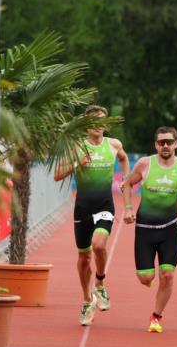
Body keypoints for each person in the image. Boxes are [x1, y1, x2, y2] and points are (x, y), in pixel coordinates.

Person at [54, 105, 129, 326]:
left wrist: (125, 177)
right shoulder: (77, 146)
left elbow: (124, 159)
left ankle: (100, 284)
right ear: (86, 125)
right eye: (93, 121)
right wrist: (78, 162)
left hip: (105, 205)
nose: (97, 125)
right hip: (82, 208)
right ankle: (87, 301)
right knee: (84, 258)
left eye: (101, 121)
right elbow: (58, 174)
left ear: (106, 125)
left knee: (99, 245)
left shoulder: (114, 145)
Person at [121, 126, 177, 333]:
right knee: (145, 277)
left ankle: (156, 317)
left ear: (176, 144)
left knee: (167, 275)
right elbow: (127, 185)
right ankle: (149, 279)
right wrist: (128, 208)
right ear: (156, 145)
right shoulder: (145, 164)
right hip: (145, 229)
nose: (165, 145)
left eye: (169, 142)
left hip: (169, 229)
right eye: (161, 142)